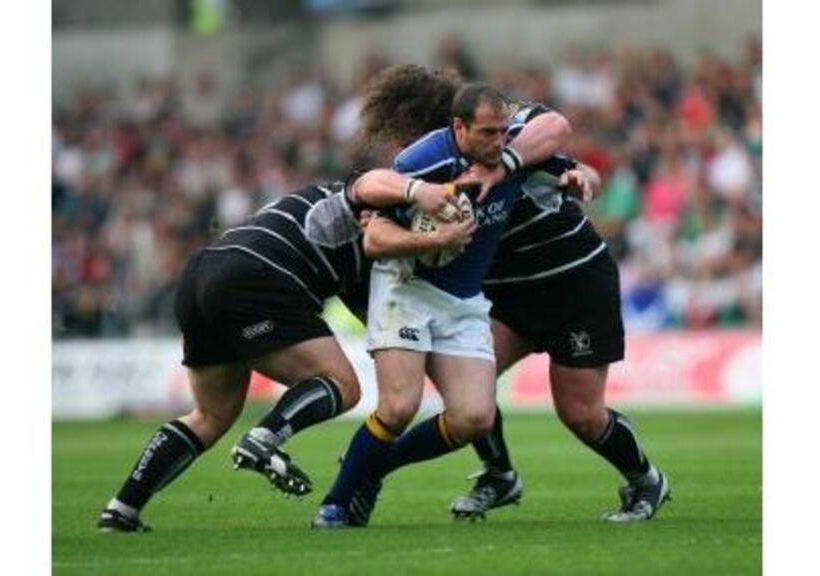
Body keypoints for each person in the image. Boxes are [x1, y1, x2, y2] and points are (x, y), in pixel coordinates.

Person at [356, 64, 671, 524]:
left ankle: (646, 479)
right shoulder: (429, 169)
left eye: (406, 127)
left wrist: (570, 176)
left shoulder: (506, 139)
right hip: (507, 297)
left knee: (581, 413)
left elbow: (564, 143)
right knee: (466, 390)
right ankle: (499, 473)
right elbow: (373, 203)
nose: (404, 140)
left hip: (572, 283)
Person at [97, 168, 475, 532]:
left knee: (210, 415)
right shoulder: (373, 199)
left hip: (201, 276)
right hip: (255, 277)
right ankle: (264, 439)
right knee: (342, 385)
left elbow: (383, 333)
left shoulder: (362, 258)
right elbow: (370, 182)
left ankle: (122, 508)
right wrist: (418, 193)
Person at [312, 81, 579, 528]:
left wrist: (577, 179)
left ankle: (368, 468)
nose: (498, 143)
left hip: (464, 300)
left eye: (503, 132)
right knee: (399, 407)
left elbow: (566, 147)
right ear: (459, 127)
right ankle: (335, 505)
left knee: (474, 417)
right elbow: (375, 238)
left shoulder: (511, 152)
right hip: (406, 289)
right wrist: (433, 235)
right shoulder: (425, 161)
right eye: (487, 134)